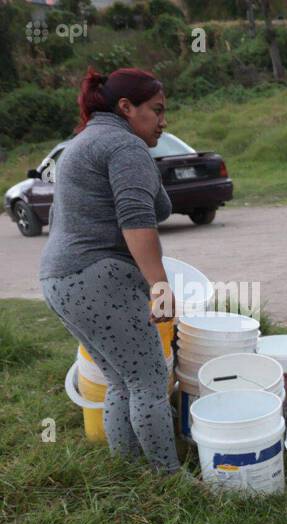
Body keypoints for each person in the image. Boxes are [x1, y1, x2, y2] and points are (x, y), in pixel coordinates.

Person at [39, 67, 180, 474]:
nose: (163, 121)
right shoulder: (122, 146)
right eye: (156, 110)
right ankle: (169, 480)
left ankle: (130, 471)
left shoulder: (83, 143)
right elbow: (137, 220)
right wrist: (160, 288)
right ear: (126, 107)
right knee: (151, 383)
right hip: (97, 276)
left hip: (59, 279)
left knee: (123, 381)